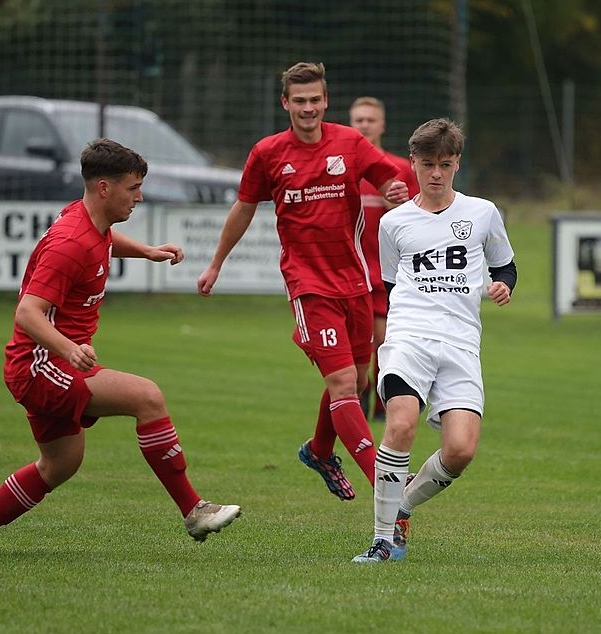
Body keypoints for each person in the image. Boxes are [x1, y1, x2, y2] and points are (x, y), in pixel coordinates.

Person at [0, 139, 241, 556]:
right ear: (104, 187)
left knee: (60, 464)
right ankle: (194, 510)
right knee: (147, 396)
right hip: (40, 363)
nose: (139, 196)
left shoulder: (87, 222)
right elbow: (28, 312)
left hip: (41, 362)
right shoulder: (69, 243)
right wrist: (68, 349)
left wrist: (147, 252)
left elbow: (105, 240)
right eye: (133, 187)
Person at [197, 62, 410, 501]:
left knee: (358, 378)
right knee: (344, 386)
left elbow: (390, 179)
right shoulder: (268, 153)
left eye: (315, 100)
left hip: (355, 281)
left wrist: (393, 190)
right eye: (300, 101)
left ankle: (319, 450)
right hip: (308, 284)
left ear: (326, 101)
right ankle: (387, 486)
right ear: (285, 104)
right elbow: (243, 208)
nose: (308, 108)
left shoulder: (350, 142)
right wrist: (216, 262)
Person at [351, 118, 517, 563]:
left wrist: (503, 286)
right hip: (410, 336)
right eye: (427, 164)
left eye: (445, 164)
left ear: (457, 163)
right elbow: (389, 284)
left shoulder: (483, 212)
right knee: (400, 423)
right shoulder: (394, 222)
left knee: (460, 451)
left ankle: (402, 503)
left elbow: (504, 267)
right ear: (413, 163)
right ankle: (382, 539)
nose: (436, 174)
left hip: (462, 344)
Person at [349, 96, 419, 421]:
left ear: (382, 125)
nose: (364, 125)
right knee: (358, 340)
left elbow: (416, 215)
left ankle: (380, 404)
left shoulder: (398, 169)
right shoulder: (342, 166)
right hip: (351, 268)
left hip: (388, 271)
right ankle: (358, 400)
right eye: (358, 119)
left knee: (383, 340)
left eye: (370, 120)